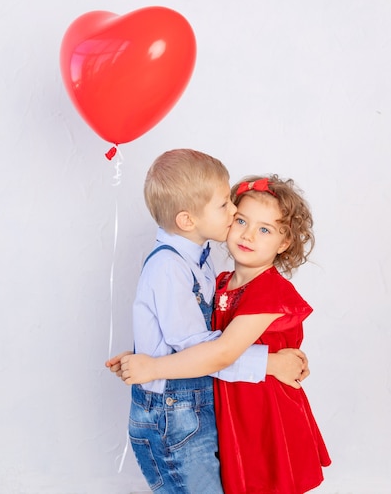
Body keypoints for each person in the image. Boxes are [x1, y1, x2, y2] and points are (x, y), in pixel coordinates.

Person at [106, 151, 310, 494]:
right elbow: (209, 350)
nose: (233, 216)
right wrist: (271, 363)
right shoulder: (174, 269)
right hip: (177, 412)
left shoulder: (203, 265)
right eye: (228, 208)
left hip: (209, 407)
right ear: (188, 221)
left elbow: (191, 339)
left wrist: (152, 358)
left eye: (261, 228)